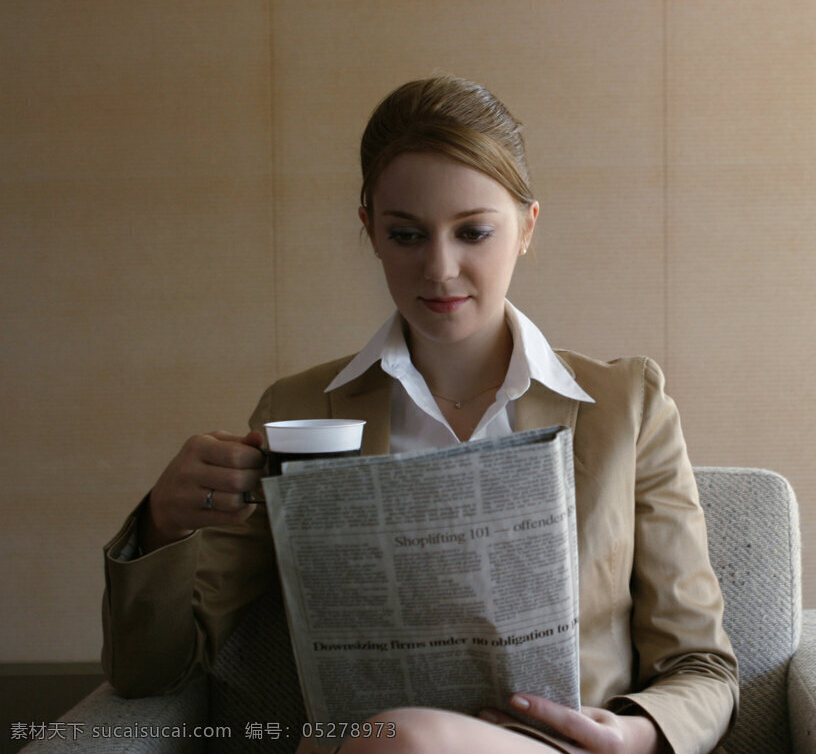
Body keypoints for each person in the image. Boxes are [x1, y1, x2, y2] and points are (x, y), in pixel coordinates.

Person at [102, 76, 738, 754]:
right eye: (407, 234)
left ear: (527, 227)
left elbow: (702, 667)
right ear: (369, 230)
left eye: (473, 232)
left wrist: (633, 736)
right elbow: (150, 673)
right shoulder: (296, 412)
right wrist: (161, 530)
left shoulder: (626, 408)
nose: (439, 269)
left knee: (404, 738)